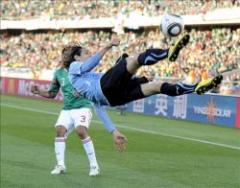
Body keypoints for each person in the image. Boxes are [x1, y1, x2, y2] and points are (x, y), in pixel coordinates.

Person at [66, 34, 223, 108]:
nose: (89, 54)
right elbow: (90, 66)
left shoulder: (83, 81)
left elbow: (103, 86)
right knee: (133, 59)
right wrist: (107, 46)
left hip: (113, 99)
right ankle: (169, 52)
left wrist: (134, 79)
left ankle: (195, 87)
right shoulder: (74, 68)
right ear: (76, 57)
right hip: (105, 89)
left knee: (156, 86)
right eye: (86, 53)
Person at [31, 60, 126, 176]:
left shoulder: (81, 70)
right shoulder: (58, 73)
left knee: (81, 130)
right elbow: (51, 93)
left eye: (67, 54)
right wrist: (39, 91)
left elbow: (94, 82)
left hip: (83, 107)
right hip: (67, 109)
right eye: (64, 54)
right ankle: (60, 165)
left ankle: (94, 166)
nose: (65, 57)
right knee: (59, 130)